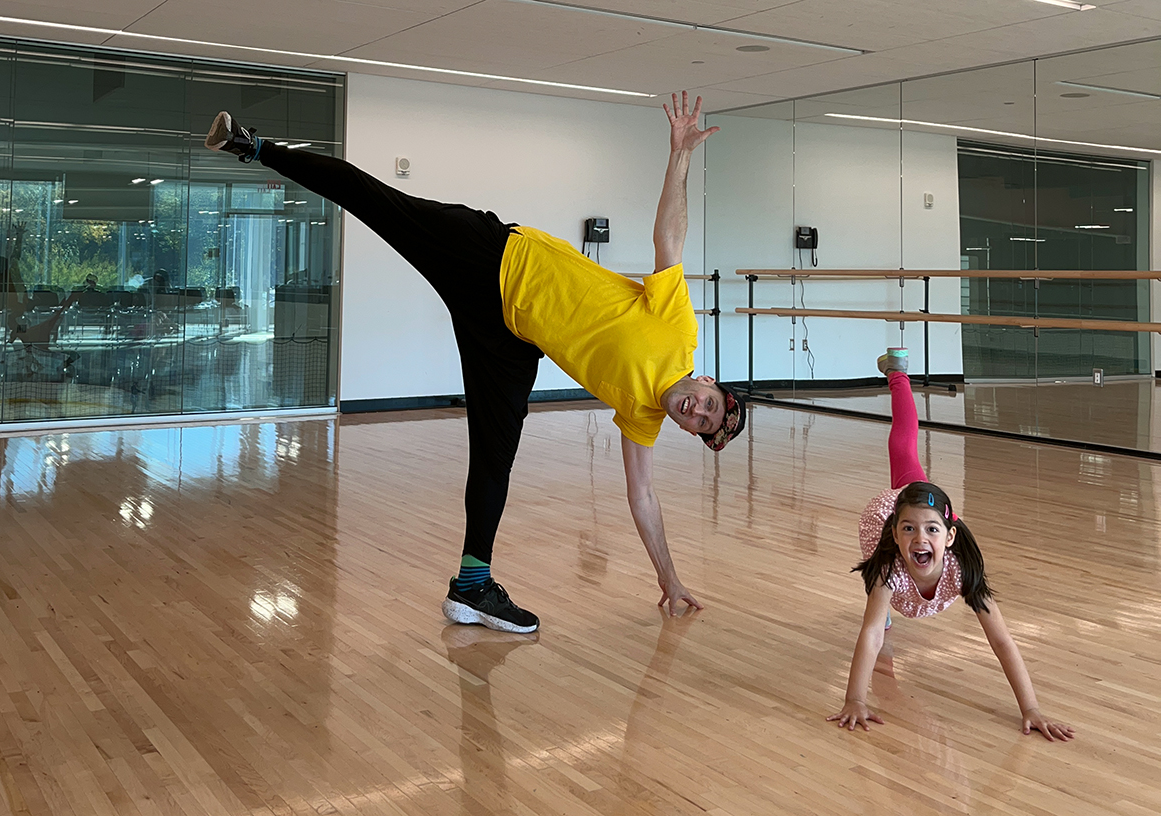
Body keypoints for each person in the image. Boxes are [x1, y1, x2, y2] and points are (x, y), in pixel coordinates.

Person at [205, 92, 745, 634]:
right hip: (496, 256)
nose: (696, 412)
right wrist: (680, 155)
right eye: (709, 404)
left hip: (509, 338)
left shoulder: (643, 417)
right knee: (380, 203)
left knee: (495, 452)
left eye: (699, 424)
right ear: (707, 381)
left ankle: (472, 586)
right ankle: (254, 147)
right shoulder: (679, 330)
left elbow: (643, 497)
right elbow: (669, 240)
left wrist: (669, 578)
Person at [827, 348, 1074, 741]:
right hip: (887, 521)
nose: (920, 539)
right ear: (897, 532)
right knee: (880, 588)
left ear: (950, 535)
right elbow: (871, 634)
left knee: (904, 446)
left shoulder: (962, 568)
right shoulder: (891, 555)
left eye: (931, 531)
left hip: (915, 511)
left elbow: (1001, 639)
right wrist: (855, 698)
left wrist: (1032, 708)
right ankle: (898, 373)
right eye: (909, 530)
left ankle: (897, 372)